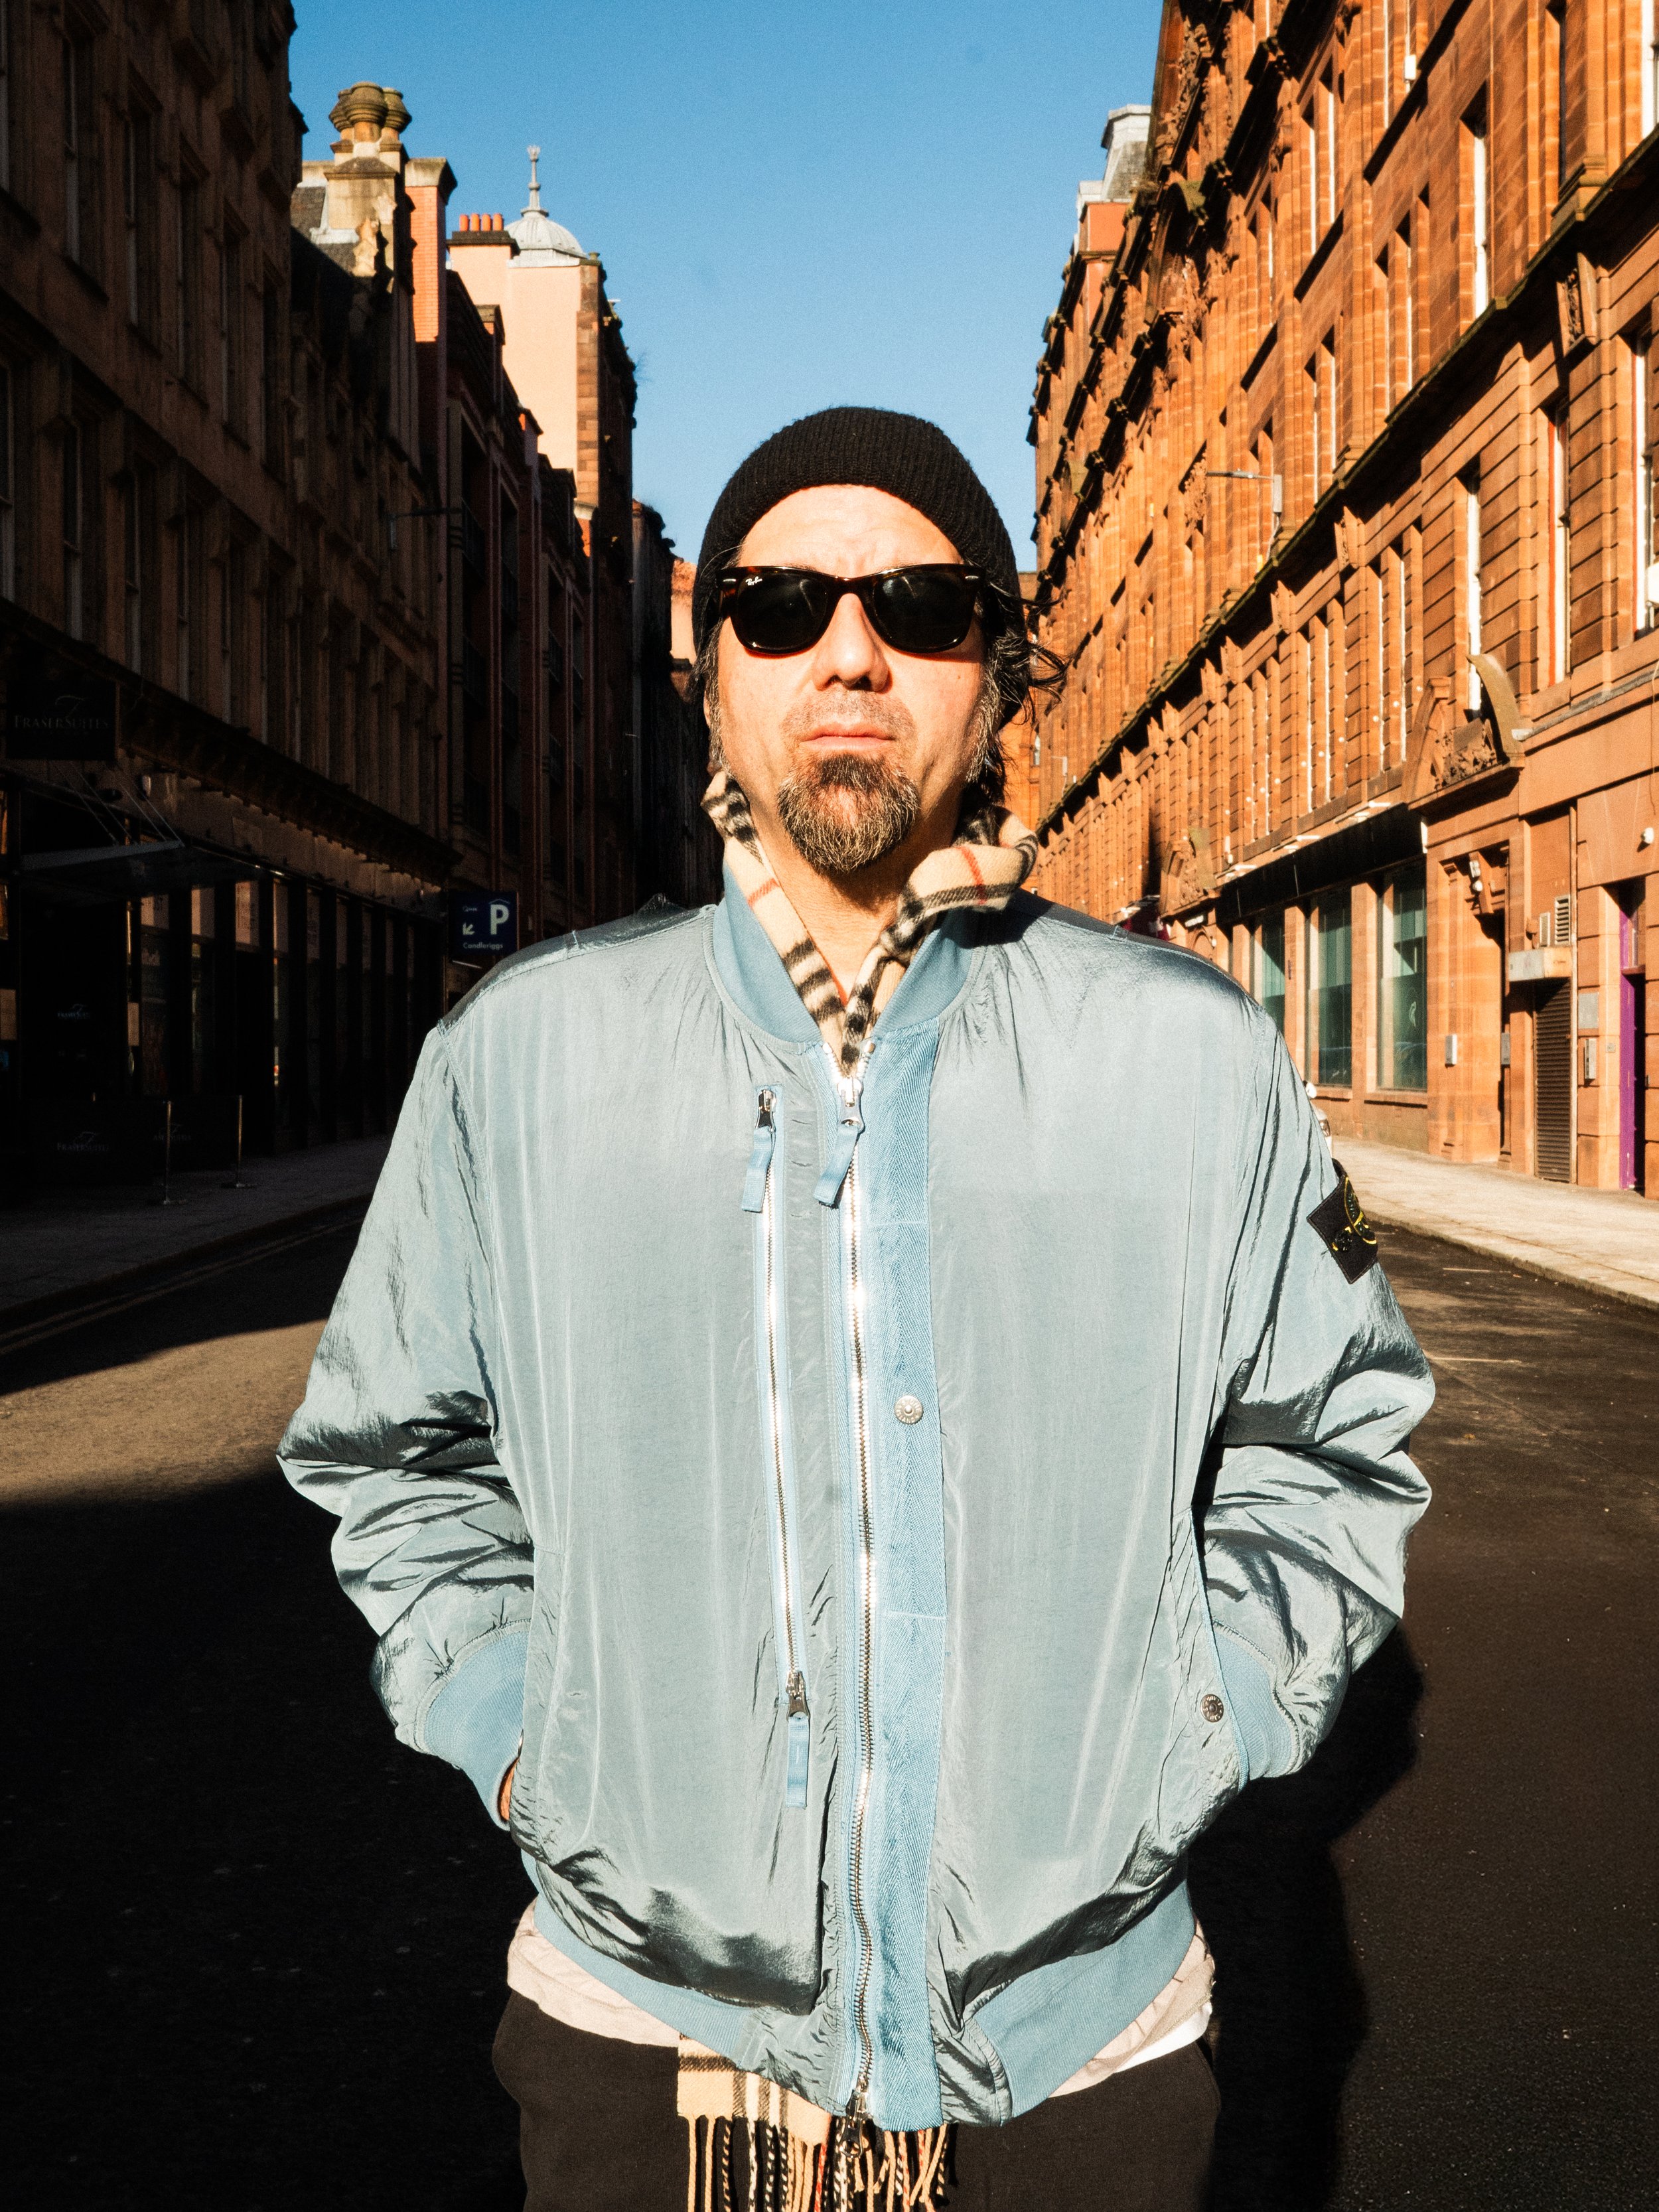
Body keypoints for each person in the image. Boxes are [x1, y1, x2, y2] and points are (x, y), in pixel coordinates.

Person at [280, 407, 1432, 2212]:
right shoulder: (519, 1057)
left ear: (998, 672)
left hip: (1081, 2051)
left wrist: (1201, 1712)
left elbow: (1332, 1436)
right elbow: (391, 1450)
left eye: (920, 603)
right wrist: (521, 1735)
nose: (849, 652)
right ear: (712, 674)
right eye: (777, 602)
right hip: (647, 2042)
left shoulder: (1189, 1055)